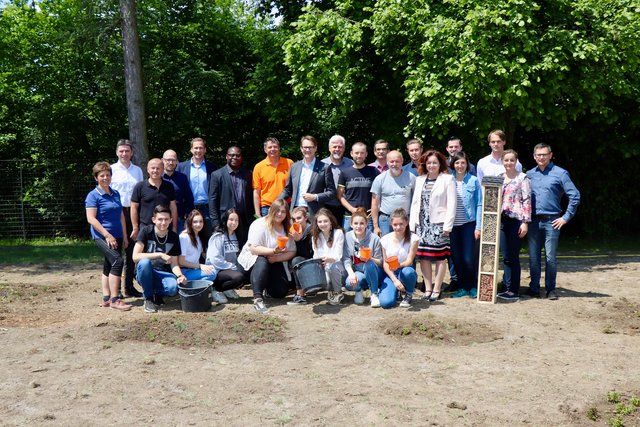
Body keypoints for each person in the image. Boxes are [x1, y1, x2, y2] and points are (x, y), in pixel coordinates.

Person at [526, 143, 580, 300]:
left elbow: (574, 195)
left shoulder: (560, 173)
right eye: (538, 155)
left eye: (544, 154)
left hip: (552, 221)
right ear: (534, 156)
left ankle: (551, 289)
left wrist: (566, 217)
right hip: (533, 222)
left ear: (550, 155)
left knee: (550, 257)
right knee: (533, 257)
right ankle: (534, 289)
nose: (541, 157)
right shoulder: (529, 174)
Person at [409, 150, 456, 302]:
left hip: (439, 225)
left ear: (440, 163)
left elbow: (452, 204)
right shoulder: (420, 179)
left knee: (440, 258)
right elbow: (415, 203)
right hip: (422, 225)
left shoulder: (448, 179)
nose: (431, 165)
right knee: (423, 257)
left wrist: (447, 226)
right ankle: (428, 288)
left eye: (434, 162)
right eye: (428, 163)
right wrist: (413, 225)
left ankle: (437, 288)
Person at [85, 161, 132, 311]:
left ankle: (106, 298)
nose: (105, 178)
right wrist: (107, 235)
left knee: (109, 264)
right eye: (102, 175)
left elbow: (121, 216)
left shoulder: (115, 193)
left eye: (108, 175)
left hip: (118, 234)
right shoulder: (93, 195)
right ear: (96, 178)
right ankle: (115, 299)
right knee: (118, 262)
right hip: (102, 236)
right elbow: (91, 218)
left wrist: (124, 236)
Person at [238, 199, 297, 313]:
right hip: (254, 258)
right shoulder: (259, 224)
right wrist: (273, 251)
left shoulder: (287, 227)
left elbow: (292, 251)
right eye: (277, 210)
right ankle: (258, 299)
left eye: (283, 212)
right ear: (271, 211)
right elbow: (253, 249)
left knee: (280, 293)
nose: (280, 214)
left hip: (274, 260)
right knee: (262, 260)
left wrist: (277, 258)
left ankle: (266, 286)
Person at [132, 205, 187, 313]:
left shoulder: (174, 237)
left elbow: (174, 263)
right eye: (160, 219)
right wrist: (159, 254)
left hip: (163, 273)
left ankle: (157, 293)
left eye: (166, 219)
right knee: (144, 263)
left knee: (173, 289)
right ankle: (148, 298)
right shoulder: (146, 231)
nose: (163, 222)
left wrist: (180, 275)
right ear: (154, 220)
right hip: (146, 272)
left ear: (171, 220)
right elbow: (135, 256)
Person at [497, 150, 532, 301]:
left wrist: (525, 223)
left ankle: (514, 289)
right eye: (506, 160)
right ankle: (506, 287)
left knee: (513, 256)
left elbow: (527, 201)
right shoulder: (499, 178)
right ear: (502, 162)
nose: (509, 163)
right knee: (505, 256)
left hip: (516, 220)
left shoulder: (522, 178)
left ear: (516, 161)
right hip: (501, 220)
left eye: (512, 160)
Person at [110, 139, 143, 298]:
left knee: (131, 252)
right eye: (121, 151)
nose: (124, 154)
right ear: (117, 152)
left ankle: (128, 287)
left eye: (127, 151)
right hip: (116, 214)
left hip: (133, 213)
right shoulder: (111, 170)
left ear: (132, 152)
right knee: (115, 252)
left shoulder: (137, 171)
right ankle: (113, 289)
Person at [449, 152, 482, 299]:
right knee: (457, 258)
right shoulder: (448, 181)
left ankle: (473, 286)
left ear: (467, 164)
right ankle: (462, 287)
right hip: (452, 226)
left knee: (469, 258)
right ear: (453, 165)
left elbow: (480, 204)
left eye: (462, 163)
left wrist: (478, 227)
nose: (460, 166)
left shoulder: (474, 181)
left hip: (469, 224)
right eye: (457, 163)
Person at [279, 135, 335, 216]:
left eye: (310, 147)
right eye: (305, 147)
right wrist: (276, 203)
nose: (307, 150)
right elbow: (287, 190)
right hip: (295, 211)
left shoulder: (325, 168)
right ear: (301, 148)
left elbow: (332, 192)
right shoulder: (294, 167)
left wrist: (315, 197)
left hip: (313, 212)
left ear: (315, 148)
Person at [208, 146, 254, 246]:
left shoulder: (248, 174)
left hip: (244, 220)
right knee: (226, 248)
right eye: (231, 155)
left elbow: (251, 197)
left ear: (241, 158)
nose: (234, 157)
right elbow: (212, 200)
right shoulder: (217, 175)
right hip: (225, 220)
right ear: (226, 156)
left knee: (243, 247)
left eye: (238, 155)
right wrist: (215, 223)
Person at [178, 210, 222, 301]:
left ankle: (195, 288)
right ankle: (192, 287)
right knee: (212, 273)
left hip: (194, 270)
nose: (198, 224)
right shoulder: (184, 237)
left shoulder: (199, 236)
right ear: (190, 222)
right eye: (195, 222)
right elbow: (181, 261)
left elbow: (204, 254)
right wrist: (200, 266)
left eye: (201, 221)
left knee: (213, 270)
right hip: (184, 271)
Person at [206, 208, 249, 301]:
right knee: (238, 277)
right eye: (231, 219)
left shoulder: (236, 235)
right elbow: (215, 259)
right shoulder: (218, 236)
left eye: (236, 220)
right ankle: (215, 289)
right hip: (217, 271)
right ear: (225, 220)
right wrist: (232, 267)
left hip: (230, 269)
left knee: (247, 273)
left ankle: (227, 289)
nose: (234, 222)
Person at [370, 150, 416, 237]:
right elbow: (374, 203)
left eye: (397, 161)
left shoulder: (411, 177)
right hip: (385, 220)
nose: (394, 164)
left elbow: (417, 199)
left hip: (405, 219)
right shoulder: (379, 179)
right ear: (387, 162)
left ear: (402, 161)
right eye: (391, 161)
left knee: (405, 245)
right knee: (385, 246)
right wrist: (376, 226)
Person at [343, 208, 383, 306]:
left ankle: (374, 293)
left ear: (366, 224)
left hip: (373, 271)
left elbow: (381, 262)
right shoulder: (347, 237)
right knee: (349, 282)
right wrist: (351, 274)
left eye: (361, 223)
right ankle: (359, 291)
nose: (358, 226)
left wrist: (370, 258)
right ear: (351, 224)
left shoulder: (375, 238)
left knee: (369, 264)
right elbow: (346, 258)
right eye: (356, 223)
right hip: (358, 271)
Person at [379, 208, 419, 308]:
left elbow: (409, 261)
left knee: (409, 272)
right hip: (390, 273)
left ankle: (408, 294)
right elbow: (385, 263)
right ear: (391, 224)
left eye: (401, 224)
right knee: (386, 303)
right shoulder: (384, 239)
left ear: (406, 222)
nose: (398, 227)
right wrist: (395, 280)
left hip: (404, 270)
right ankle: (396, 290)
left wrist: (399, 265)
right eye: (395, 225)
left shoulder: (414, 239)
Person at [337, 142, 379, 231]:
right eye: (356, 153)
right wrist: (351, 209)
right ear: (351, 154)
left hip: (368, 217)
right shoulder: (345, 173)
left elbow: (381, 193)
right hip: (349, 216)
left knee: (368, 244)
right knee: (349, 243)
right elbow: (339, 196)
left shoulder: (374, 172)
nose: (359, 156)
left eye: (362, 153)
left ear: (366, 154)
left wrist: (375, 208)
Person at [176, 137, 217, 227]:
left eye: (201, 148)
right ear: (191, 149)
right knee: (188, 238)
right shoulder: (181, 167)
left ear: (205, 150)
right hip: (188, 209)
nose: (198, 150)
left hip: (207, 210)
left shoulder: (212, 168)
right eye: (196, 148)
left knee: (206, 238)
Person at [131, 158, 178, 233]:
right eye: (153, 168)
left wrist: (175, 227)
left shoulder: (169, 186)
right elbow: (134, 208)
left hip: (165, 227)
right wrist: (135, 227)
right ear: (148, 169)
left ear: (162, 170)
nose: (155, 171)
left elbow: (173, 207)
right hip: (145, 229)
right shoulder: (140, 186)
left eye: (158, 168)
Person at [310, 208, 346, 305]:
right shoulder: (315, 237)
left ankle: (338, 292)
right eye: (320, 221)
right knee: (324, 277)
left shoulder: (338, 233)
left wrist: (330, 259)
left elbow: (338, 255)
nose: (323, 224)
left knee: (333, 267)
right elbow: (315, 255)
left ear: (331, 221)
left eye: (325, 221)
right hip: (324, 267)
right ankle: (330, 290)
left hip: (337, 266)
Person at [253, 137, 294, 217]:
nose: (273, 149)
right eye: (270, 147)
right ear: (265, 150)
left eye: (275, 147)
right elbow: (256, 192)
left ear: (279, 148)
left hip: (286, 205)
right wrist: (257, 213)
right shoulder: (259, 167)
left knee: (287, 229)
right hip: (267, 207)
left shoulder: (289, 163)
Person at [321, 134, 354, 225]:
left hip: (347, 205)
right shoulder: (322, 164)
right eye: (334, 146)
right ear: (329, 148)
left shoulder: (350, 163)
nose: (337, 149)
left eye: (340, 147)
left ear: (343, 149)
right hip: (327, 205)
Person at [288, 206, 315, 305]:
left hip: (314, 264)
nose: (296, 221)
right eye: (293, 219)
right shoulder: (293, 230)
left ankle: (300, 295)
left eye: (299, 218)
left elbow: (309, 254)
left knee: (297, 261)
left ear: (306, 218)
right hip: (299, 264)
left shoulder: (312, 230)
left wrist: (298, 240)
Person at [162, 149, 193, 233]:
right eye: (168, 160)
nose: (171, 163)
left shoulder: (182, 178)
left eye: (173, 160)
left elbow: (189, 198)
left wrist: (188, 218)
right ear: (162, 160)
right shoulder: (157, 177)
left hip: (179, 220)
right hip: (161, 221)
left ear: (177, 162)